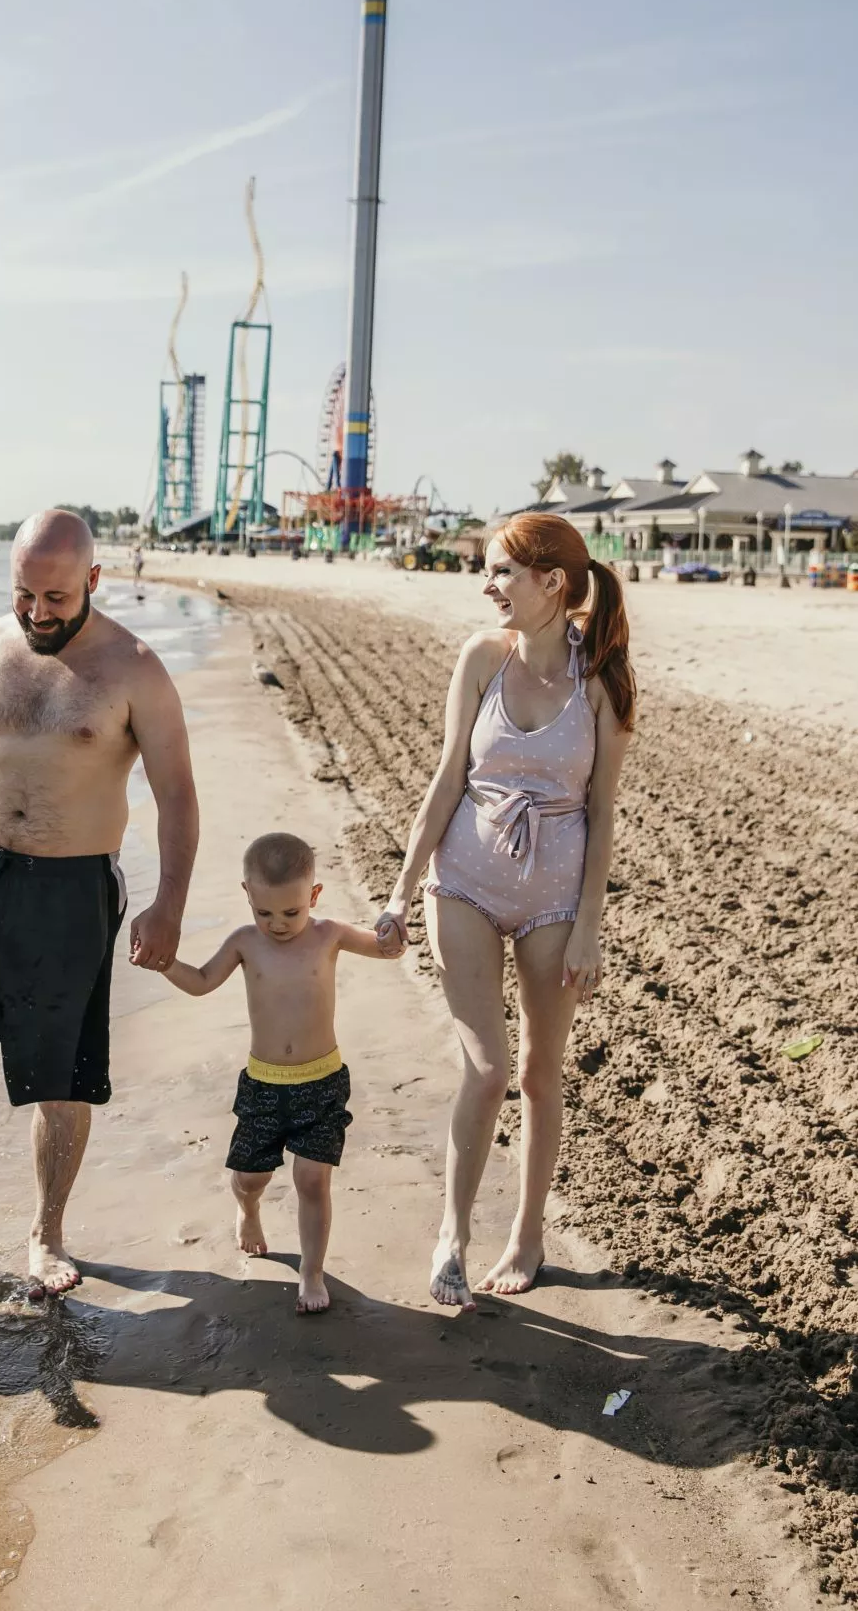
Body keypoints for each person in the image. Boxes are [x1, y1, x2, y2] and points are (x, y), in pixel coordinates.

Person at [0, 509, 198, 1298]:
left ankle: (46, 1233)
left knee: (59, 1077)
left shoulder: (135, 668)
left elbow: (177, 796)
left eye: (54, 596)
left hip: (70, 886)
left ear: (94, 578)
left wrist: (168, 905)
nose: (37, 612)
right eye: (23, 594)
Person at [376, 513, 636, 1309]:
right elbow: (446, 778)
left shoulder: (601, 680)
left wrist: (589, 925)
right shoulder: (479, 658)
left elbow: (601, 813)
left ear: (552, 582)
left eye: (500, 572)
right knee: (486, 1070)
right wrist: (398, 889)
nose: (486, 585)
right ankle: (451, 1235)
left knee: (537, 1072)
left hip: (554, 896)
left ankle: (526, 1236)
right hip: (463, 882)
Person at [148, 831, 405, 1315]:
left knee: (312, 1179)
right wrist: (165, 964)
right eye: (264, 913)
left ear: (314, 895)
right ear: (247, 895)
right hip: (264, 1084)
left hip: (322, 1082)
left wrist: (392, 932)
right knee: (249, 1176)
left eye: (291, 912)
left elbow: (384, 948)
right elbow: (202, 983)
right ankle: (247, 1210)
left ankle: (311, 1269)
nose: (278, 924)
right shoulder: (245, 943)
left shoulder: (330, 933)